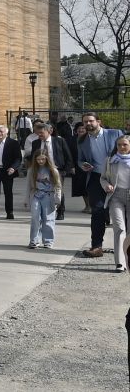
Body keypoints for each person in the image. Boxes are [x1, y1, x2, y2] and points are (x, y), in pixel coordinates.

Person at [74, 113, 124, 258]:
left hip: (118, 177)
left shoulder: (115, 134)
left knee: (124, 212)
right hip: (96, 178)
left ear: (98, 122)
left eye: (91, 121)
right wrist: (82, 165)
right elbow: (80, 159)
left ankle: (125, 246)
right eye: (85, 122)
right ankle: (97, 247)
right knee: (97, 211)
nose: (88, 124)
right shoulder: (82, 140)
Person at [102, 135, 130, 273]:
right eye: (119, 145)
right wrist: (106, 185)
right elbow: (103, 178)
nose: (121, 147)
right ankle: (120, 263)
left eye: (125, 144)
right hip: (116, 197)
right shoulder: (110, 160)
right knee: (119, 229)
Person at [28, 147, 61, 249]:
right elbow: (28, 186)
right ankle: (34, 240)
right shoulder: (32, 170)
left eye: (43, 159)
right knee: (35, 217)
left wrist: (58, 198)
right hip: (36, 195)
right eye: (38, 159)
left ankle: (48, 240)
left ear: (47, 159)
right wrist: (26, 199)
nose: (40, 161)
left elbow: (58, 185)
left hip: (49, 195)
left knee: (48, 219)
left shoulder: (53, 170)